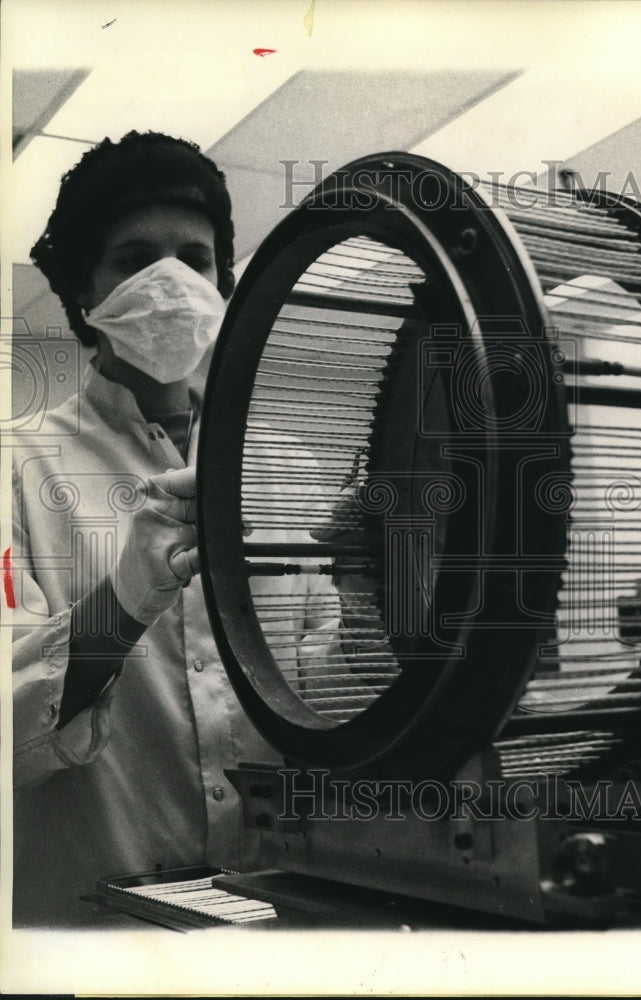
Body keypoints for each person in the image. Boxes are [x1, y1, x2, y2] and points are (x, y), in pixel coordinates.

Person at [11, 130, 335, 927]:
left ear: (225, 279)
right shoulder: (20, 466)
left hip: (278, 915)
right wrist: (119, 606)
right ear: (84, 289)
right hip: (96, 929)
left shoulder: (283, 470)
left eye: (195, 259)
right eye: (134, 259)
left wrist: (376, 604)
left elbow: (323, 695)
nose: (171, 282)